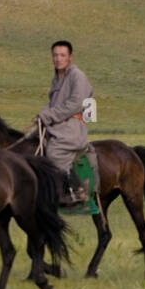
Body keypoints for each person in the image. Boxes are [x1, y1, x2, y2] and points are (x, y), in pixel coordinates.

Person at [34, 40, 93, 206]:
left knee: (54, 152)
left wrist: (49, 116)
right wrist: (42, 115)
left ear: (70, 57)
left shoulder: (77, 76)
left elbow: (76, 103)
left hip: (72, 127)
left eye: (62, 55)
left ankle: (75, 192)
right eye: (55, 55)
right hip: (59, 125)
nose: (58, 59)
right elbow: (53, 104)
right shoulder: (57, 79)